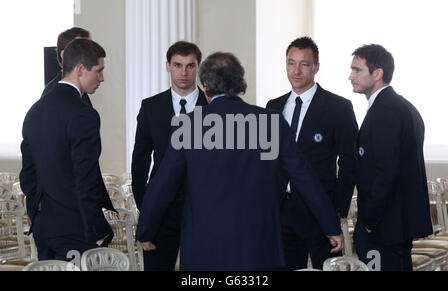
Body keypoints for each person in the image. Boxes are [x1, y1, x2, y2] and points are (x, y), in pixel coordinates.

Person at [136, 51, 344, 271]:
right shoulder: (269, 122)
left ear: (205, 85)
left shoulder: (190, 125)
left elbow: (163, 183)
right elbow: (304, 177)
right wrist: (330, 226)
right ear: (239, 83)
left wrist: (146, 229)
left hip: (205, 247)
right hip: (259, 246)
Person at [266, 37, 358, 270]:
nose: (296, 70)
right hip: (280, 210)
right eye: (291, 63)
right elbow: (266, 159)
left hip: (319, 211)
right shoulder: (272, 107)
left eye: (304, 64)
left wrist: (336, 210)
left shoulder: (338, 108)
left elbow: (350, 163)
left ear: (316, 67)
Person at [19, 39, 115, 261]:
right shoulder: (84, 114)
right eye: (99, 70)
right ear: (81, 69)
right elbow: (86, 178)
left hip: (44, 228)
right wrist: (95, 229)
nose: (102, 78)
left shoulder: (35, 110)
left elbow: (28, 177)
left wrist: (39, 217)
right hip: (76, 229)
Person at [349, 44, 433, 271]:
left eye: (357, 70)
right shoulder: (403, 106)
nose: (350, 76)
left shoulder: (385, 110)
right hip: (395, 224)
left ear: (377, 74)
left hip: (384, 227)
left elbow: (386, 172)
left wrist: (368, 222)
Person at [131, 41, 208, 270]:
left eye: (190, 66)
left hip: (202, 210)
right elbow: (140, 160)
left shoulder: (214, 108)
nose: (183, 72)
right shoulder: (151, 107)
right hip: (160, 211)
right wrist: (145, 207)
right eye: (177, 65)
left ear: (198, 67)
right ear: (168, 66)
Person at [41, 27, 92, 108]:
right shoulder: (53, 93)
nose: (91, 55)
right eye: (84, 49)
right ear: (64, 55)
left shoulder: (78, 88)